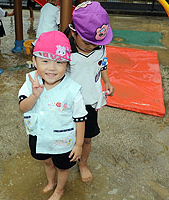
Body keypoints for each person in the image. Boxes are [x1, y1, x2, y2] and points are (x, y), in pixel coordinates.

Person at [18, 31, 87, 200]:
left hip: (63, 141)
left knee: (63, 167)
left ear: (67, 64)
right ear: (34, 61)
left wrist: (78, 145)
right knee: (47, 161)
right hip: (39, 136)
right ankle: (51, 182)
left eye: (59, 62)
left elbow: (80, 119)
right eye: (45, 61)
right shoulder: (30, 81)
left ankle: (60, 190)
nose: (51, 67)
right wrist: (34, 95)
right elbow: (23, 107)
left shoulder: (73, 90)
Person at [63, 1, 115, 182]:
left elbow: (103, 64)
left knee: (86, 138)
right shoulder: (66, 51)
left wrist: (107, 81)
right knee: (66, 135)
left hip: (90, 101)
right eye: (87, 43)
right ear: (73, 32)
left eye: (96, 43)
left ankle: (83, 163)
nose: (92, 46)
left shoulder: (100, 45)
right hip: (69, 103)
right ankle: (63, 162)